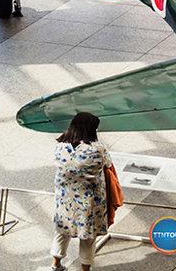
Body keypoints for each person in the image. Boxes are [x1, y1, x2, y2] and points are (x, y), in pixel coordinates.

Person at [51, 112, 111, 271]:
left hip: (64, 200)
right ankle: (85, 269)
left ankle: (56, 264)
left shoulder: (60, 147)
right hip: (88, 203)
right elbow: (108, 164)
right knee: (88, 237)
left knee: (61, 232)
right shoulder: (97, 150)